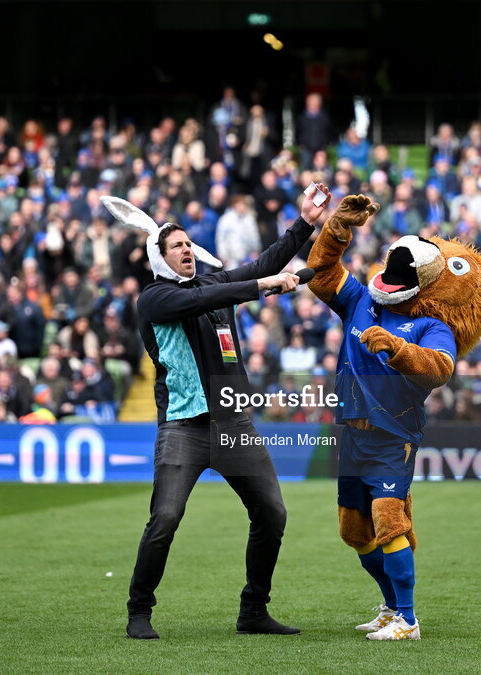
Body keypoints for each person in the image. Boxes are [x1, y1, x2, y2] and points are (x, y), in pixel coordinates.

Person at [125, 183, 331, 640]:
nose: (186, 250)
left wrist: (305, 224)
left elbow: (263, 265)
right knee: (165, 519)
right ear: (159, 257)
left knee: (272, 514)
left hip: (233, 423)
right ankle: (139, 610)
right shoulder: (154, 298)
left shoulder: (215, 283)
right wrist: (261, 287)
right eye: (176, 246)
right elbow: (210, 297)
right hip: (185, 427)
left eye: (188, 244)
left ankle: (253, 611)